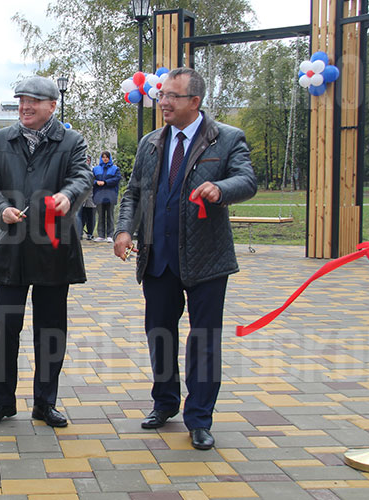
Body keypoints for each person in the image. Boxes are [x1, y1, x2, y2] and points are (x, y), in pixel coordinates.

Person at [113, 67, 257, 451]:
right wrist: (124, 230)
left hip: (207, 261)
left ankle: (199, 418)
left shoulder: (225, 138)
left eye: (172, 96)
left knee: (204, 341)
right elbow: (133, 193)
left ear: (194, 102)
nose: (163, 102)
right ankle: (164, 403)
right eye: (162, 95)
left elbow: (247, 180)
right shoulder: (150, 142)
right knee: (160, 335)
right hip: (158, 258)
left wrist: (221, 188)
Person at [0, 76, 92, 428]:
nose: (25, 106)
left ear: (52, 106)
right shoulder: (0, 141)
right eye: (21, 100)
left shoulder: (71, 141)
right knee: (4, 327)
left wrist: (68, 196)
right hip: (11, 250)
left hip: (54, 251)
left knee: (51, 329)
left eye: (33, 101)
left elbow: (82, 178)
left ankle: (45, 402)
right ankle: (2, 401)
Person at [92, 151, 120, 242]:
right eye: (103, 157)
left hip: (110, 195)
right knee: (100, 216)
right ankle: (101, 235)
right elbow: (91, 179)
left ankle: (110, 235)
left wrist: (105, 182)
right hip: (99, 195)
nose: (105, 159)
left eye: (107, 157)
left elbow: (116, 179)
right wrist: (96, 182)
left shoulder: (115, 169)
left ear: (109, 158)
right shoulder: (96, 169)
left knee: (110, 216)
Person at [77, 155, 96, 240]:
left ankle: (90, 233)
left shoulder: (93, 170)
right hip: (80, 196)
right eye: (85, 160)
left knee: (90, 215)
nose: (86, 162)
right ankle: (79, 232)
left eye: (88, 160)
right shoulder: (78, 170)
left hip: (90, 196)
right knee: (80, 215)